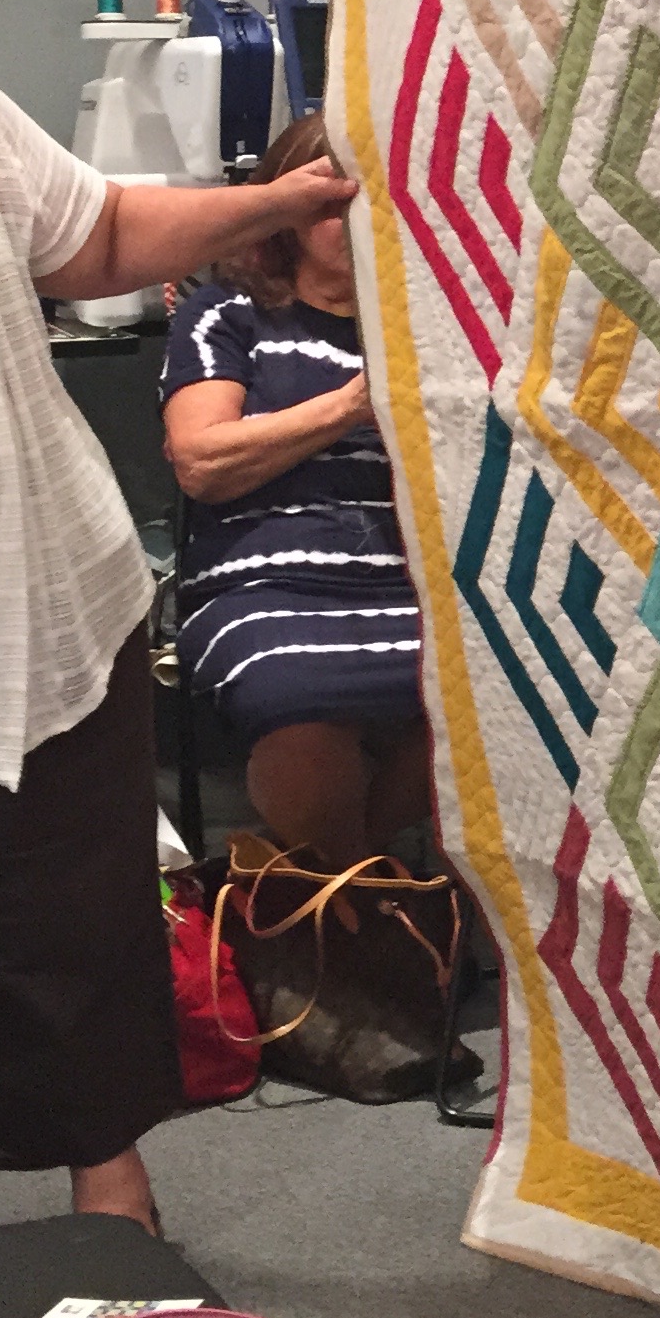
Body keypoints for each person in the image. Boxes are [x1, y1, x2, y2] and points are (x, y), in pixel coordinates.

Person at [0, 0, 365, 1248]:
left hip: (27, 613)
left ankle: (111, 1199)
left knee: (65, 919)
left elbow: (97, 236)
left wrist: (279, 202)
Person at [160, 113, 429, 866]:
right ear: (287, 209)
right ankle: (369, 896)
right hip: (261, 581)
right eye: (336, 200)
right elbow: (201, 461)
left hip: (413, 579)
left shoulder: (430, 324)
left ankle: (336, 891)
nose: (359, 217)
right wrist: (353, 405)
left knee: (493, 695)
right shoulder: (228, 314)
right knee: (295, 698)